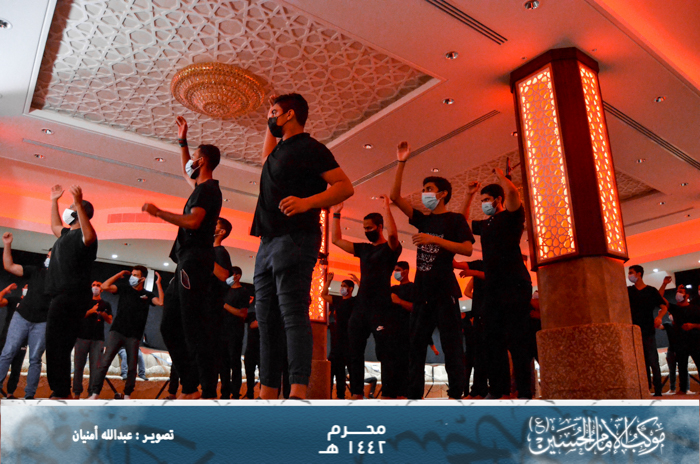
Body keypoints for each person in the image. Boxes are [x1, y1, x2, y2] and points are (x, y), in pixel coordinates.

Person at [250, 93, 353, 400]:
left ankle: (297, 390)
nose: (270, 117)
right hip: (267, 241)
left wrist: (307, 202)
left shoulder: (311, 147)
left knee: (293, 314)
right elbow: (266, 155)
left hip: (296, 237)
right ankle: (268, 391)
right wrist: (270, 117)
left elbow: (345, 186)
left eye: (274, 112)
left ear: (290, 114)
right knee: (266, 319)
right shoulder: (277, 151)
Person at [142, 116, 222, 399]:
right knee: (169, 326)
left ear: (203, 162)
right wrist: (183, 141)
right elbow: (185, 170)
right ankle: (190, 387)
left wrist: (159, 213)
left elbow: (193, 221)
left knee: (192, 326)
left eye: (195, 158)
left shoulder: (209, 190)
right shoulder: (201, 189)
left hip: (195, 262)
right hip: (185, 263)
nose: (191, 163)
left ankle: (206, 391)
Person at [390, 141, 474, 400]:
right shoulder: (423, 220)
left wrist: (433, 239)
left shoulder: (455, 220)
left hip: (445, 290)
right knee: (415, 345)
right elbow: (395, 198)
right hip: (422, 291)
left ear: (442, 194)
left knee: (451, 345)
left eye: (429, 189)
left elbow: (467, 249)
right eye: (424, 189)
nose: (425, 193)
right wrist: (401, 162)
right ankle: (414, 395)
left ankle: (457, 393)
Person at [462, 168, 533, 399]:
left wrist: (502, 177)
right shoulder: (486, 224)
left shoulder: (512, 217)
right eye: (482, 201)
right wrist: (469, 196)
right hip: (493, 288)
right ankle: (499, 391)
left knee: (517, 340)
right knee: (492, 340)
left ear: (498, 199)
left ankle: (524, 393)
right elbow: (462, 223)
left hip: (515, 284)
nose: (484, 204)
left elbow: (514, 195)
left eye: (486, 200)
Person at [331, 196, 402, 399]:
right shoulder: (363, 249)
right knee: (354, 352)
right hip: (361, 308)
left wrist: (386, 208)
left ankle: (389, 394)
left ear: (379, 227)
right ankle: (356, 393)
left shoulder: (390, 249)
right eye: (364, 228)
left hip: (381, 308)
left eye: (370, 228)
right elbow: (336, 240)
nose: (366, 231)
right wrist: (336, 214)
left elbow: (393, 235)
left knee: (385, 351)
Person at [45, 184, 98, 399]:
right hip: (61, 295)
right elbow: (55, 225)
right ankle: (61, 390)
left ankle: (61, 391)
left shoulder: (86, 237)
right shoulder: (65, 234)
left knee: (59, 343)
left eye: (72, 207)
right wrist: (54, 201)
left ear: (79, 212)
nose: (69, 209)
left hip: (73, 296)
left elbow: (89, 234)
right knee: (57, 344)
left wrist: (78, 203)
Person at [88, 266, 163, 399]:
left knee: (132, 367)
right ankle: (95, 393)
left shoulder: (147, 295)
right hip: (117, 331)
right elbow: (105, 286)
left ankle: (127, 394)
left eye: (135, 275)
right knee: (105, 362)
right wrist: (120, 274)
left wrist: (158, 284)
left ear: (142, 279)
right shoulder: (124, 288)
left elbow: (161, 302)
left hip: (134, 335)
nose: (132, 277)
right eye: (132, 274)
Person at [0, 233, 53, 400]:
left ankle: (29, 396)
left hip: (42, 322)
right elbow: (9, 266)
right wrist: (7, 244)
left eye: (53, 257)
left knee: (35, 359)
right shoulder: (36, 271)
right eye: (48, 256)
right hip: (21, 317)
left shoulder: (61, 279)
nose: (49, 259)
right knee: (7, 352)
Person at [627, 265, 667, 397]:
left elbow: (663, 306)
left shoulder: (651, 290)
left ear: (639, 274)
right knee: (640, 362)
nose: (629, 275)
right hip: (633, 331)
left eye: (631, 272)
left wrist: (659, 317)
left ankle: (658, 390)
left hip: (648, 329)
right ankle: (646, 389)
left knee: (653, 360)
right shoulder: (628, 291)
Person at [72, 281, 112, 398]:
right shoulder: (84, 302)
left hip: (98, 339)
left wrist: (102, 313)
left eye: (98, 285)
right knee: (78, 366)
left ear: (101, 289)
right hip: (81, 337)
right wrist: (91, 311)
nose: (95, 287)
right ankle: (77, 393)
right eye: (93, 285)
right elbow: (77, 317)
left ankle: (91, 394)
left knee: (95, 368)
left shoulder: (105, 304)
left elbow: (110, 320)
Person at [321, 272, 355, 399]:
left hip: (349, 342)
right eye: (341, 286)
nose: (342, 288)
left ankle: (347, 397)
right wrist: (329, 280)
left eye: (344, 286)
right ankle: (330, 398)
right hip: (337, 344)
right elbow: (323, 295)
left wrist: (358, 281)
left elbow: (365, 297)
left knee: (349, 374)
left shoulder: (353, 301)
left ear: (351, 289)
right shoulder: (338, 300)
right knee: (335, 373)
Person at [664, 284, 700, 395]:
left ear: (687, 295)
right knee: (682, 366)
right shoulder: (675, 309)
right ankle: (683, 389)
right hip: (680, 342)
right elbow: (660, 299)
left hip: (695, 341)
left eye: (681, 291)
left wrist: (693, 325)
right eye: (677, 292)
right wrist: (664, 284)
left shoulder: (695, 308)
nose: (678, 294)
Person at [212, 218, 234, 398]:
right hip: (203, 307)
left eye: (215, 224)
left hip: (214, 310)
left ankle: (223, 393)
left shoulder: (220, 252)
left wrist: (204, 256)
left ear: (221, 232)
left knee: (218, 355)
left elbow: (224, 275)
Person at [221, 266, 249, 399]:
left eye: (230, 275)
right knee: (223, 363)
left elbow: (242, 313)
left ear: (237, 276)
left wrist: (225, 305)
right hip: (223, 331)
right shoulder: (225, 290)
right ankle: (224, 392)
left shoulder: (243, 291)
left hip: (235, 332)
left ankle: (236, 392)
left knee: (234, 361)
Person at [389, 261, 414, 398]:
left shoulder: (413, 288)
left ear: (406, 271)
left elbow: (417, 308)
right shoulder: (393, 289)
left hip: (407, 332)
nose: (396, 273)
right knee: (393, 364)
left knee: (405, 364)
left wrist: (399, 301)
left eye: (398, 270)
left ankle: (405, 394)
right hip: (392, 333)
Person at [0, 283, 25, 398]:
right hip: (7, 337)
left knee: (17, 367)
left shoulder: (35, 304)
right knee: (3, 361)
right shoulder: (14, 300)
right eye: (26, 287)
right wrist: (5, 290)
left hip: (23, 339)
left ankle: (10, 393)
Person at [243, 294, 260, 400]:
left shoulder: (266, 311)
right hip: (250, 348)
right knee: (249, 374)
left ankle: (263, 395)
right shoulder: (252, 311)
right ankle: (250, 395)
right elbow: (251, 323)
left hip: (261, 348)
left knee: (264, 375)